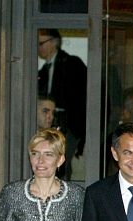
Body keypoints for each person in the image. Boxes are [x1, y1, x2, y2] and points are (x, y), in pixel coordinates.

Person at [37, 29, 87, 180]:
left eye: (40, 43)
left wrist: (80, 130)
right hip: (49, 125)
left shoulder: (72, 63)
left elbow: (82, 96)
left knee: (62, 162)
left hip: (70, 126)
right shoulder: (43, 70)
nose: (38, 48)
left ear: (54, 42)